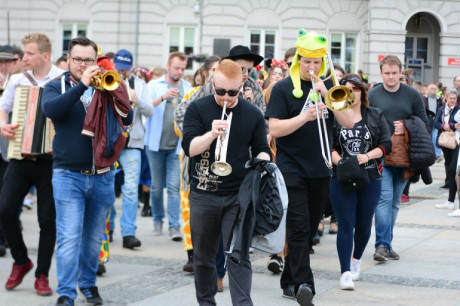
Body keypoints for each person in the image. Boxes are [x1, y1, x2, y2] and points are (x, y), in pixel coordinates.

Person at [41, 36, 133, 306]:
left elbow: (127, 118)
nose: (83, 64)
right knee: (69, 237)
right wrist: (81, 85)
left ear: (96, 60)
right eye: (78, 59)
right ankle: (67, 293)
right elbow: (52, 110)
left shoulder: (106, 83)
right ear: (68, 60)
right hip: (68, 175)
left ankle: (89, 285)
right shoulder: (55, 86)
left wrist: (120, 92)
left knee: (93, 240)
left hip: (103, 175)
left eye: (89, 60)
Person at [265, 28, 354, 305]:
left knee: (309, 227)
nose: (312, 67)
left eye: (317, 62)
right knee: (299, 227)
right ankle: (305, 283)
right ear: (298, 60)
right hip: (291, 167)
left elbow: (349, 122)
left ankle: (289, 280)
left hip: (321, 167)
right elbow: (275, 128)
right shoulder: (282, 88)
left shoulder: (329, 86)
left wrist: (327, 94)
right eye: (307, 62)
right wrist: (304, 117)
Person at [182, 59, 271, 305]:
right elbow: (190, 149)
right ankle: (206, 302)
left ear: (241, 85)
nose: (226, 97)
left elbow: (262, 149)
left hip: (238, 196)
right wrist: (211, 133)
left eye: (233, 92)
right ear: (213, 83)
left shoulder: (251, 112)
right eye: (220, 91)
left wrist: (265, 163)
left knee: (239, 256)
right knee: (204, 258)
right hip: (203, 193)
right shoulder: (197, 109)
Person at [0, 33, 63, 296]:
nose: (22, 58)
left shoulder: (62, 79)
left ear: (44, 56)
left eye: (28, 54)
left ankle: (42, 275)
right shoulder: (17, 80)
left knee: (47, 221)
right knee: (4, 210)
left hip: (51, 161)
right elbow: (3, 108)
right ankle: (21, 260)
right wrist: (4, 124)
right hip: (20, 156)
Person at [329, 74, 392, 290]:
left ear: (362, 92)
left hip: (370, 176)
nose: (351, 93)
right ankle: (344, 271)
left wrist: (366, 157)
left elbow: (386, 144)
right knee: (346, 223)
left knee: (364, 224)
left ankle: (356, 260)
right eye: (346, 89)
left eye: (356, 89)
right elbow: (328, 145)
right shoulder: (335, 115)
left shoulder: (374, 114)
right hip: (342, 177)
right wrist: (341, 163)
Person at [369, 55, 429, 262]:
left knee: (395, 202)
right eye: (387, 73)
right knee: (384, 199)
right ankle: (381, 245)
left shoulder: (412, 94)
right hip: (382, 153)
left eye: (395, 73)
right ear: (381, 73)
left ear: (401, 72)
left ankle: (387, 243)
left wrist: (406, 126)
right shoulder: (373, 94)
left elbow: (423, 121)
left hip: (404, 155)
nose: (391, 77)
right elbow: (366, 121)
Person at [173, 55, 221, 273]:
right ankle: (192, 253)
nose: (217, 76)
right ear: (205, 73)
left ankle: (212, 254)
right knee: (189, 207)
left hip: (220, 162)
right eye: (214, 71)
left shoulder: (229, 97)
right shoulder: (192, 95)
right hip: (193, 161)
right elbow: (180, 128)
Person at [145, 51, 191, 240]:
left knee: (173, 186)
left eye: (182, 68)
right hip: (155, 144)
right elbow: (144, 108)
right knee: (156, 186)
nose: (179, 72)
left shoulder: (187, 87)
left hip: (176, 145)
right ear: (168, 65)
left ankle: (174, 226)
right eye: (176, 68)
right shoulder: (154, 85)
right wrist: (162, 97)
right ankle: (157, 220)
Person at [113, 49, 154, 249]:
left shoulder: (140, 84)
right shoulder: (108, 80)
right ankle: (108, 228)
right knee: (108, 190)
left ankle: (128, 233)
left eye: (125, 68)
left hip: (132, 144)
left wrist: (136, 99)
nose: (121, 71)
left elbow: (150, 110)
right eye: (118, 67)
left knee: (130, 190)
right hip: (111, 142)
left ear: (130, 67)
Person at [434, 89, 459, 210]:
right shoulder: (442, 109)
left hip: (455, 142)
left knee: (453, 170)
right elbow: (436, 123)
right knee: (449, 169)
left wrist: (452, 125)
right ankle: (450, 201)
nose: (453, 100)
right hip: (445, 142)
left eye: (454, 98)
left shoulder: (458, 109)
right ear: (446, 99)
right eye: (451, 98)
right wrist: (443, 126)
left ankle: (451, 201)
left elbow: (457, 123)